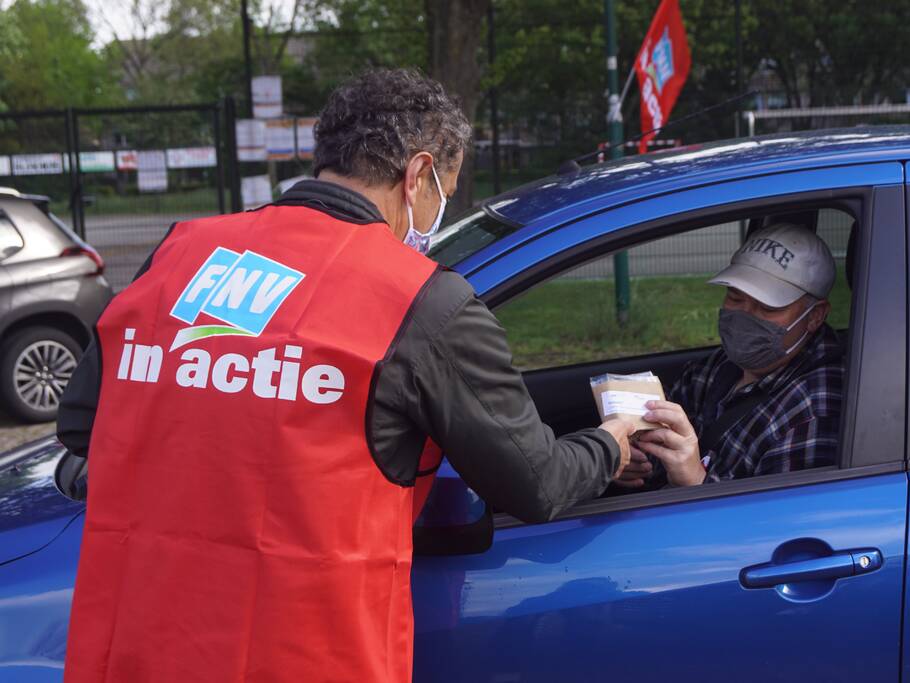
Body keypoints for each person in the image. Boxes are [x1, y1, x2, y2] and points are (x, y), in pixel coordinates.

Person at [55, 68, 633, 683]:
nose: (437, 214)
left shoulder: (182, 253)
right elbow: (536, 484)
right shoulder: (423, 302)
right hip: (307, 655)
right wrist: (613, 443)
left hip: (143, 648)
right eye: (444, 194)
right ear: (418, 175)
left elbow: (84, 426)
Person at [614, 222, 844, 489]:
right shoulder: (719, 365)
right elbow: (662, 443)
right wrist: (637, 461)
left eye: (768, 308)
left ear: (815, 316)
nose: (745, 315)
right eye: (735, 298)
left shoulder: (814, 412)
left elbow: (780, 513)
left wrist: (697, 482)